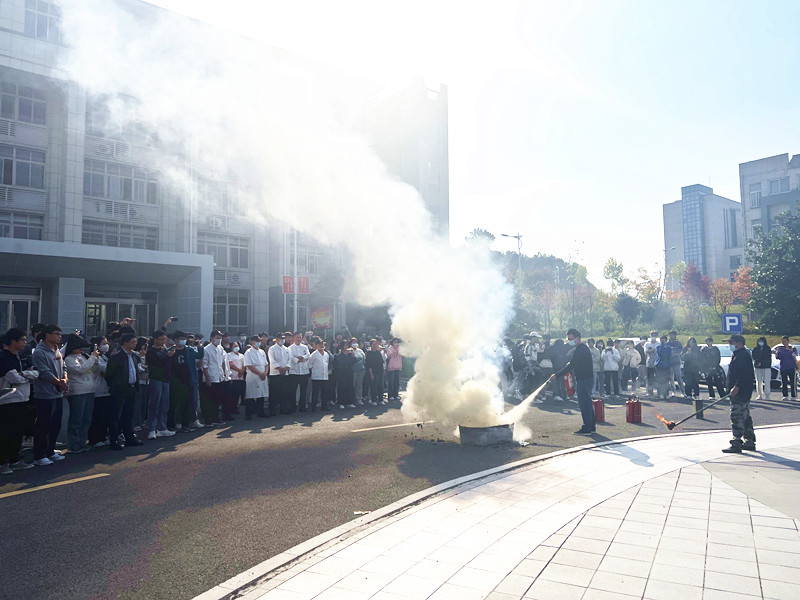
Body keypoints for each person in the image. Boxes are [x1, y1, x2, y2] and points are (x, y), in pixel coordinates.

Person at [0, 328, 37, 473]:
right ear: (13, 341)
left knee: (17, 432)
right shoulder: (5, 357)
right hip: (7, 399)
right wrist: (27, 375)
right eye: (22, 340)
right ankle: (3, 462)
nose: (24, 342)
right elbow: (14, 378)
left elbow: (35, 372)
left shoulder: (21, 356)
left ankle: (14, 459)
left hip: (22, 397)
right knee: (6, 432)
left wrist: (26, 374)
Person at [31, 325, 68, 465]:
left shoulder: (57, 349)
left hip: (57, 393)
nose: (59, 336)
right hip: (45, 394)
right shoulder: (39, 352)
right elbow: (44, 372)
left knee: (55, 424)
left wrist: (64, 379)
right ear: (47, 335)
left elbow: (63, 366)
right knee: (43, 426)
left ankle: (50, 451)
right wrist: (59, 383)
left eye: (60, 334)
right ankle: (39, 455)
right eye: (56, 334)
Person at [104, 333, 144, 450]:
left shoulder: (134, 356)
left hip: (131, 388)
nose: (135, 344)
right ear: (125, 343)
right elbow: (109, 375)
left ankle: (129, 438)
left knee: (128, 415)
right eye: (132, 342)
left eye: (135, 342)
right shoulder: (117, 357)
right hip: (119, 390)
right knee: (116, 416)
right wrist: (116, 386)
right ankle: (114, 440)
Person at [550, 329, 595, 435]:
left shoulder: (580, 349)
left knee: (584, 404)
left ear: (577, 338)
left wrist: (556, 375)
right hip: (586, 379)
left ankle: (587, 428)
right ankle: (591, 426)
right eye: (568, 339)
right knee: (587, 403)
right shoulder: (581, 348)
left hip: (584, 380)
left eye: (570, 339)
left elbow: (571, 365)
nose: (569, 341)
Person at [64, 334, 99, 453]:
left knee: (86, 419)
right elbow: (80, 369)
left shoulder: (84, 356)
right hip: (77, 390)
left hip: (89, 389)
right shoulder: (69, 359)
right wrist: (92, 359)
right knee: (76, 419)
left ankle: (82, 441)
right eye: (78, 347)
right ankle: (73, 444)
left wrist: (95, 361)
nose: (81, 349)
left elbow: (91, 370)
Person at [723, 334, 756, 453]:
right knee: (745, 416)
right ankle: (749, 441)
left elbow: (744, 374)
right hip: (742, 391)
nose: (730, 345)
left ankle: (736, 442)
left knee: (737, 415)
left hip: (741, 392)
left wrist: (736, 386)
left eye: (731, 342)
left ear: (739, 343)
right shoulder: (738, 355)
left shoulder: (743, 356)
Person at [145, 330, 176, 439]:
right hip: (156, 379)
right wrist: (168, 356)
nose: (163, 341)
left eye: (165, 339)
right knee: (154, 404)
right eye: (161, 339)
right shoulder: (150, 351)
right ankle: (152, 429)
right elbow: (156, 364)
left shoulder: (164, 350)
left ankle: (162, 428)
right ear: (155, 339)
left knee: (164, 405)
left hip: (165, 379)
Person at [169, 331, 199, 432]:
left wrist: (199, 346)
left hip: (187, 379)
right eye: (180, 339)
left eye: (183, 339)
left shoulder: (189, 350)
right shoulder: (170, 350)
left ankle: (185, 424)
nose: (182, 341)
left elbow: (199, 355)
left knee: (186, 403)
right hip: (175, 381)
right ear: (175, 340)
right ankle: (174, 424)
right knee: (174, 404)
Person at [87, 336, 112, 448]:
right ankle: (95, 439)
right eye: (103, 343)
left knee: (105, 416)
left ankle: (103, 436)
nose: (106, 345)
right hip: (97, 389)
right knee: (97, 416)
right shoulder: (92, 358)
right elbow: (104, 369)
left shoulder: (105, 357)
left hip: (106, 389)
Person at [201, 330, 230, 423]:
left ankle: (216, 417)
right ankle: (208, 418)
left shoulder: (220, 348)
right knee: (210, 399)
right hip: (211, 377)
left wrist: (224, 374)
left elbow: (222, 362)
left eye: (220, 338)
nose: (219, 340)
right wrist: (207, 379)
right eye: (217, 338)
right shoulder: (206, 349)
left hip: (220, 377)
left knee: (218, 399)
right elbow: (204, 366)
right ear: (211, 338)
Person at [243, 335, 269, 419]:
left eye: (259, 341)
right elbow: (249, 365)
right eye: (257, 341)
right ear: (252, 342)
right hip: (253, 375)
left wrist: (265, 373)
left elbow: (266, 364)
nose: (259, 343)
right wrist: (259, 373)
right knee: (251, 395)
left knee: (261, 395)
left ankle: (260, 412)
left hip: (263, 375)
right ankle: (249, 414)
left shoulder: (262, 351)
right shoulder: (248, 352)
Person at [267, 332, 291, 416]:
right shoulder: (272, 348)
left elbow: (289, 360)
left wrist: (286, 368)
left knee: (285, 392)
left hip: (285, 373)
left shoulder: (286, 349)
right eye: (281, 338)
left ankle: (283, 408)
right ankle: (272, 409)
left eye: (283, 338)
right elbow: (272, 360)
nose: (282, 340)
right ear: (276, 339)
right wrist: (280, 369)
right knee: (274, 393)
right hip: (275, 373)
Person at [288, 332, 311, 412]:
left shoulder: (305, 347)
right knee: (292, 390)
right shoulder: (290, 348)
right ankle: (293, 407)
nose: (299, 339)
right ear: (293, 338)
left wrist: (301, 357)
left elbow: (308, 356)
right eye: (297, 337)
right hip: (294, 372)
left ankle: (302, 406)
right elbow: (291, 358)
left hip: (304, 372)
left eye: (300, 337)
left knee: (303, 391)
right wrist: (299, 359)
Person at [307, 337, 330, 411]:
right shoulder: (313, 354)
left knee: (325, 392)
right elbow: (309, 365)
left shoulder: (326, 354)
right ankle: (313, 407)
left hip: (325, 376)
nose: (321, 345)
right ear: (316, 345)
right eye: (319, 344)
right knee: (315, 392)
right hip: (316, 376)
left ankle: (324, 406)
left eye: (322, 344)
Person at [775, 336, 797, 401]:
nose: (784, 342)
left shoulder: (792, 348)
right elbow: (778, 357)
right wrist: (779, 352)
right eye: (782, 341)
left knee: (792, 382)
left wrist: (790, 351)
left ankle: (793, 396)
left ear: (788, 341)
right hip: (783, 367)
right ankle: (785, 395)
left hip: (791, 367)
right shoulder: (780, 348)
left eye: (785, 341)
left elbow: (795, 356)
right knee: (784, 382)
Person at [227, 340, 246, 415]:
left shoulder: (242, 355)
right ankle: (231, 408)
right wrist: (239, 370)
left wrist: (242, 371)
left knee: (238, 394)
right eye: (234, 346)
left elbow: (244, 364)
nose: (236, 347)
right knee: (232, 394)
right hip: (233, 376)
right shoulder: (229, 355)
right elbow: (230, 364)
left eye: (237, 346)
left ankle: (235, 407)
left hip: (240, 377)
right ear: (231, 347)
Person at [366, 339, 386, 406]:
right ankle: (373, 400)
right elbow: (369, 365)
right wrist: (371, 374)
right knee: (374, 386)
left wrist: (383, 370)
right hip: (373, 372)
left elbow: (381, 362)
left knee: (381, 386)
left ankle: (381, 400)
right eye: (374, 344)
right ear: (371, 345)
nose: (375, 345)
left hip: (380, 371)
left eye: (376, 344)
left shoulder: (378, 352)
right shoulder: (369, 353)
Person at [752, 336, 772, 401]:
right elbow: (754, 356)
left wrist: (762, 362)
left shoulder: (767, 348)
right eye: (759, 341)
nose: (760, 343)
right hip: (758, 367)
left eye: (761, 341)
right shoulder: (755, 349)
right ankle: (759, 395)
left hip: (766, 367)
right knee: (758, 381)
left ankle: (767, 395)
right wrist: (758, 362)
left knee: (767, 381)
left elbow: (768, 357)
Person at [666, 331, 685, 397]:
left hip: (676, 362)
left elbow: (680, 352)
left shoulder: (678, 343)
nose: (671, 336)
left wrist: (675, 354)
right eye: (670, 335)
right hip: (669, 363)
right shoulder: (667, 343)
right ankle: (673, 391)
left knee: (679, 377)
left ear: (675, 336)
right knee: (671, 378)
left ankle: (683, 392)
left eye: (673, 335)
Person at [654, 335, 672, 400]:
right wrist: (662, 346)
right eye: (661, 339)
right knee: (660, 380)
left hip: (667, 365)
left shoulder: (669, 348)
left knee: (666, 380)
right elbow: (659, 353)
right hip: (659, 365)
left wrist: (669, 364)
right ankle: (660, 393)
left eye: (664, 339)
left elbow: (670, 356)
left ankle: (666, 394)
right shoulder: (658, 347)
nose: (663, 340)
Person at [351, 339, 366, 405]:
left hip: (361, 370)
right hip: (353, 371)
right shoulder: (349, 351)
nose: (355, 343)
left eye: (356, 342)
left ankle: (359, 399)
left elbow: (364, 358)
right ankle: (351, 399)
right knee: (352, 385)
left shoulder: (360, 350)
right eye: (353, 342)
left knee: (359, 385)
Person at [644, 332, 659, 396]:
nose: (653, 336)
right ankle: (650, 392)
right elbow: (646, 351)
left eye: (655, 335)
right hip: (649, 363)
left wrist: (652, 350)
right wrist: (653, 350)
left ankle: (659, 392)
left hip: (658, 363)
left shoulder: (659, 344)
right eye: (652, 335)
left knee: (658, 378)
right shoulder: (647, 344)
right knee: (649, 378)